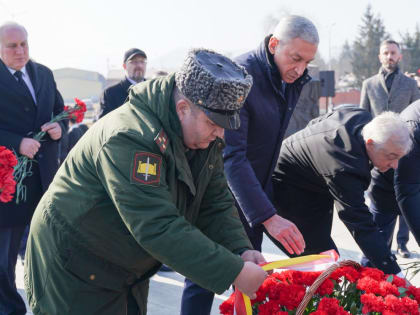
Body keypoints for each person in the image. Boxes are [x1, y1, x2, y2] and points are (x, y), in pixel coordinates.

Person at [25, 48, 268, 315]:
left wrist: (240, 249)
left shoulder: (201, 133)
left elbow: (215, 200)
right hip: (74, 265)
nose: (220, 133)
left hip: (121, 264)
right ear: (183, 108)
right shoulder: (131, 137)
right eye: (214, 123)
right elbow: (156, 225)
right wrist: (232, 271)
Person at [180, 15, 319, 315]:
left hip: (252, 196)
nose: (300, 69)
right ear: (273, 44)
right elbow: (232, 155)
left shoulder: (288, 79)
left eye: (308, 62)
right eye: (295, 58)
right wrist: (268, 217)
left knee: (248, 281)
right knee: (204, 278)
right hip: (218, 194)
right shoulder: (241, 79)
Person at [272, 106, 412, 277]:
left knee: (328, 261)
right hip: (287, 192)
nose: (395, 165)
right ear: (370, 143)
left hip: (315, 183)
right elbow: (359, 222)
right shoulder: (345, 167)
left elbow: (316, 122)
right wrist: (394, 273)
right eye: (391, 156)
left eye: (399, 157)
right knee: (321, 264)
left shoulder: (362, 118)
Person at [0, 22, 66, 315]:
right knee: (4, 257)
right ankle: (10, 309)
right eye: (12, 46)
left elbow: (62, 112)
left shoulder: (44, 74)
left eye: (24, 44)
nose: (20, 51)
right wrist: (17, 142)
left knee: (45, 251)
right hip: (8, 181)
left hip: (44, 178)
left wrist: (59, 128)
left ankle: (46, 306)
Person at [360, 39, 420, 258]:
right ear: (380, 56)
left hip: (407, 153)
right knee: (381, 219)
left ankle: (402, 244)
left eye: (393, 52)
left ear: (400, 56)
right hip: (381, 155)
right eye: (385, 52)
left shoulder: (410, 84)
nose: (389, 56)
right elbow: (363, 117)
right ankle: (376, 259)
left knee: (408, 204)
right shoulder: (369, 84)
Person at [367, 99, 420, 261]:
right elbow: (407, 191)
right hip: (387, 192)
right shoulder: (414, 127)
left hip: (410, 185)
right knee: (377, 256)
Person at [99, 48, 147, 118]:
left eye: (142, 61)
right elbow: (103, 124)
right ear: (124, 66)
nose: (139, 65)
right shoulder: (111, 94)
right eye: (134, 62)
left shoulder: (154, 91)